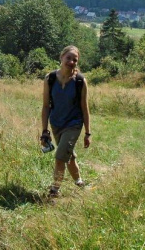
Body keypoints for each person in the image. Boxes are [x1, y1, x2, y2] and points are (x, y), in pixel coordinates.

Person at [40, 45, 91, 197]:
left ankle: (54, 190)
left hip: (73, 124)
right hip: (56, 124)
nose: (71, 62)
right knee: (69, 155)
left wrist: (88, 132)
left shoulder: (80, 81)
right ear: (61, 57)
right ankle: (79, 182)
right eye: (68, 58)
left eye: (75, 60)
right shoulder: (50, 79)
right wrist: (45, 130)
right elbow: (45, 106)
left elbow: (85, 108)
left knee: (60, 156)